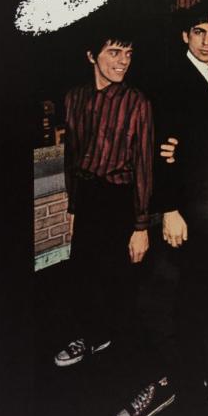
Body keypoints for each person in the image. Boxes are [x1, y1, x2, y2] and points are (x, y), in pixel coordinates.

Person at [112, 1, 208, 416]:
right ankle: (165, 381)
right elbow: (158, 146)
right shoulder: (171, 78)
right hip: (183, 210)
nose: (206, 41)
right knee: (165, 298)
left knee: (195, 295)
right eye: (198, 32)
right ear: (185, 36)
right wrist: (170, 208)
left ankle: (189, 377)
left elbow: (200, 141)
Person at [54, 26, 153, 368]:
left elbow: (143, 165)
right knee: (83, 275)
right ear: (91, 56)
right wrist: (73, 206)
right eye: (114, 52)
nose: (123, 61)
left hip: (120, 199)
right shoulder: (74, 98)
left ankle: (123, 359)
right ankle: (89, 338)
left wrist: (141, 226)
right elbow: (72, 156)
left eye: (128, 54)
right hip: (88, 196)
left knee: (120, 281)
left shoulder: (136, 102)